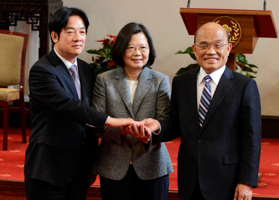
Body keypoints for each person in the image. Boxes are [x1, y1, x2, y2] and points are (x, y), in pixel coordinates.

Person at [141, 22, 262, 200]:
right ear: (195, 49)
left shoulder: (244, 86)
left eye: (218, 45)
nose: (211, 51)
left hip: (226, 180)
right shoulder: (182, 82)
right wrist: (157, 127)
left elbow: (252, 138)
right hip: (191, 178)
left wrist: (246, 182)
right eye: (204, 45)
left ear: (228, 48)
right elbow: (175, 124)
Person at [24, 7, 134, 200]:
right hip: (49, 168)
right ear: (55, 36)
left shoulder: (86, 71)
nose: (78, 37)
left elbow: (91, 113)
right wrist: (111, 120)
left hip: (80, 169)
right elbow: (70, 106)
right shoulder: (42, 70)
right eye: (70, 31)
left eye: (82, 31)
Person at [92, 22, 173, 200]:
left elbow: (165, 120)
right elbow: (97, 122)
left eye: (143, 47)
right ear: (121, 50)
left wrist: (150, 134)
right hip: (114, 166)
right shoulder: (104, 80)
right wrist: (121, 131)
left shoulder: (160, 80)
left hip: (153, 165)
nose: (138, 53)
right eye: (131, 48)